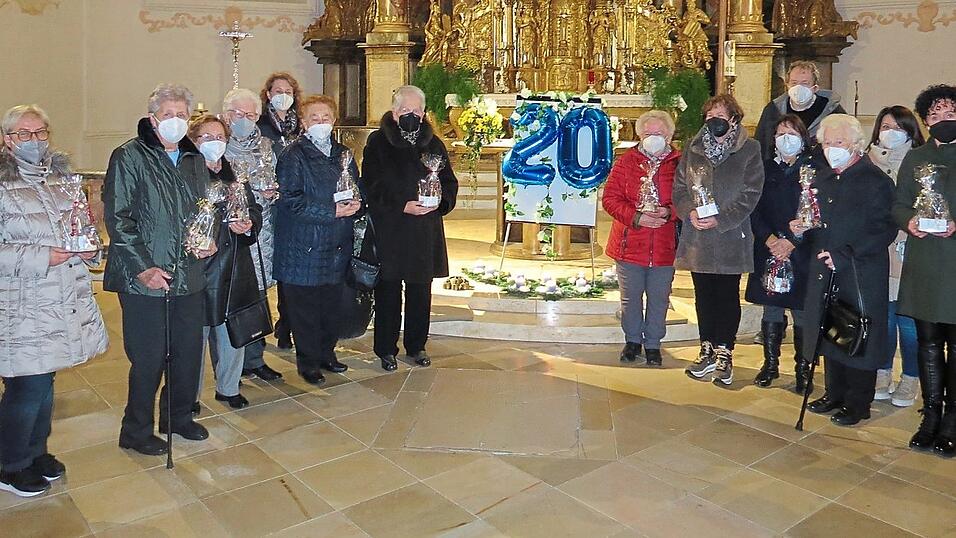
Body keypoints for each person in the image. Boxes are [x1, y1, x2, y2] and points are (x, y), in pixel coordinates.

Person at [0, 105, 108, 496]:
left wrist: (88, 248)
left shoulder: (61, 179)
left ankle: (34, 450)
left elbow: (83, 228)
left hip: (60, 298)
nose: (33, 141)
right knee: (26, 386)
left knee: (45, 382)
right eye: (23, 134)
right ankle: (10, 463)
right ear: (7, 139)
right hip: (19, 304)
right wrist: (41, 255)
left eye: (40, 133)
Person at [104, 83, 215, 456]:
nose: (176, 121)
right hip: (145, 279)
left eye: (182, 115)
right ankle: (135, 430)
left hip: (189, 272)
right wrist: (143, 268)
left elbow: (203, 210)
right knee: (149, 357)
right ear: (153, 119)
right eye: (168, 115)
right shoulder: (129, 156)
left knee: (187, 352)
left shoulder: (193, 158)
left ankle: (178, 417)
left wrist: (208, 238)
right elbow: (118, 219)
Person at [800, 114, 896, 427]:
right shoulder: (822, 178)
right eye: (827, 143)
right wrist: (803, 227)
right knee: (831, 330)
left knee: (857, 332)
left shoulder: (876, 180)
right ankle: (834, 393)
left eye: (838, 143)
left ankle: (858, 402)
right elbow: (817, 221)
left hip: (859, 269)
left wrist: (845, 255)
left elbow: (883, 229)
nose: (832, 149)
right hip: (824, 267)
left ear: (855, 144)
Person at [363, 85, 458, 372]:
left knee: (420, 291)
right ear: (394, 112)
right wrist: (400, 205)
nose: (412, 115)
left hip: (423, 231)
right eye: (406, 110)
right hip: (392, 228)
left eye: (417, 111)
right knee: (388, 291)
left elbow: (449, 182)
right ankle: (385, 348)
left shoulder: (434, 144)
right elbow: (370, 185)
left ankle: (416, 345)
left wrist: (439, 202)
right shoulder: (378, 142)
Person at [674, 94, 764, 386]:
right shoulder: (693, 147)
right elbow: (679, 187)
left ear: (734, 119)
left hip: (730, 234)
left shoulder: (749, 149)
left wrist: (722, 219)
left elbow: (751, 193)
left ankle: (725, 352)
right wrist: (689, 212)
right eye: (710, 115)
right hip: (698, 234)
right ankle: (706, 349)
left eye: (720, 116)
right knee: (704, 295)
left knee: (726, 296)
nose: (714, 121)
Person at [274, 95, 361, 385]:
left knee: (331, 305)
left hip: (336, 242)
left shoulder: (343, 153)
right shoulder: (293, 155)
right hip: (304, 245)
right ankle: (308, 361)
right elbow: (290, 200)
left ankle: (327, 353)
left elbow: (354, 187)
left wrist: (357, 203)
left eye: (325, 118)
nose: (321, 123)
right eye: (314, 118)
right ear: (303, 122)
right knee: (306, 310)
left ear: (334, 121)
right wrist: (330, 210)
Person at [892, 84, 956, 455]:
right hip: (925, 261)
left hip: (954, 259)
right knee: (928, 344)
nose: (942, 120)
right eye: (935, 115)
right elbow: (899, 203)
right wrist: (910, 221)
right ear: (925, 121)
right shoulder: (915, 158)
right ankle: (930, 414)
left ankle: (952, 419)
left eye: (950, 113)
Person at [189, 115, 262, 409]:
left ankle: (228, 387)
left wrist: (248, 224)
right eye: (207, 137)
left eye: (220, 137)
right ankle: (188, 397)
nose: (215, 143)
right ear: (193, 141)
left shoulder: (235, 174)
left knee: (232, 334)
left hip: (234, 265)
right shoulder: (187, 174)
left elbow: (253, 209)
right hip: (201, 267)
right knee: (194, 338)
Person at [602, 110, 680, 367]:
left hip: (665, 244)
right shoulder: (626, 162)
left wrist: (669, 212)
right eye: (648, 134)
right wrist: (637, 217)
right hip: (629, 241)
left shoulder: (680, 163)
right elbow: (610, 199)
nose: (653, 138)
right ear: (639, 135)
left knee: (659, 297)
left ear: (669, 135)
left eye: (658, 134)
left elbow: (689, 199)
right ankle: (632, 340)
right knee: (630, 297)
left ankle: (654, 344)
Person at [744, 115, 816, 390]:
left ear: (803, 138)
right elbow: (754, 208)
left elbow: (817, 212)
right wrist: (770, 239)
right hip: (770, 248)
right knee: (771, 308)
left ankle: (803, 369)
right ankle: (770, 364)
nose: (786, 138)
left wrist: (793, 241)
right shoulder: (764, 169)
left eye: (792, 133)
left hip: (802, 249)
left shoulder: (814, 168)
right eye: (781, 133)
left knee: (802, 311)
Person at [221, 88, 284, 382]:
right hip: (230, 233)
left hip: (264, 231)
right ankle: (232, 364)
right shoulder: (215, 146)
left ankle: (255, 357)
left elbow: (272, 180)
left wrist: (272, 193)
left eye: (249, 115)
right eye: (237, 114)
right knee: (236, 296)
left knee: (258, 295)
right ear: (225, 116)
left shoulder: (266, 147)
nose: (243, 120)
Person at [868, 105, 925, 407]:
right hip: (877, 251)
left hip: (910, 248)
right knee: (885, 319)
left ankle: (911, 378)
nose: (890, 133)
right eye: (885, 127)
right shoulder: (866, 161)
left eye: (898, 127)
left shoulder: (921, 162)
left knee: (908, 321)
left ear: (911, 131)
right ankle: (882, 372)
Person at [258, 72, 303, 350]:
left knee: (291, 268)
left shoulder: (302, 126)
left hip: (296, 205)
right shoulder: (261, 126)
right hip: (270, 205)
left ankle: (288, 323)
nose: (282, 95)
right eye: (277, 90)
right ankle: (261, 333)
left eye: (288, 91)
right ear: (268, 95)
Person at [755, 61, 846, 161]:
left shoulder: (832, 111)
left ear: (815, 87)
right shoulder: (773, 110)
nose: (798, 87)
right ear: (787, 85)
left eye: (805, 83)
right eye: (794, 83)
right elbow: (762, 144)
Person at [258, 71, 303, 149]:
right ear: (269, 94)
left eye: (288, 92)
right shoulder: (260, 121)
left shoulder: (301, 123)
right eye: (279, 91)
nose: (284, 95)